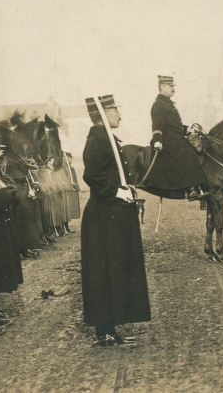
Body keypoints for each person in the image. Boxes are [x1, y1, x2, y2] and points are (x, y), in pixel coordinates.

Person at [81, 95, 151, 347]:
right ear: (103, 113)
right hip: (104, 216)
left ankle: (109, 328)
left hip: (110, 214)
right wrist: (115, 192)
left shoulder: (106, 136)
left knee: (113, 270)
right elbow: (91, 174)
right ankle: (105, 331)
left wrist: (126, 188)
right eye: (115, 111)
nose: (119, 115)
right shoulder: (99, 138)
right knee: (105, 272)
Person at [144, 75, 208, 201]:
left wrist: (187, 129)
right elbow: (157, 125)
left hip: (175, 137)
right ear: (162, 87)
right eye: (171, 86)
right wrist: (157, 141)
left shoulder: (167, 103)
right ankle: (191, 190)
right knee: (189, 154)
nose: (173, 88)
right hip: (167, 141)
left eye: (173, 86)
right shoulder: (160, 104)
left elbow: (173, 125)